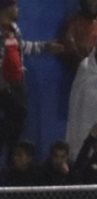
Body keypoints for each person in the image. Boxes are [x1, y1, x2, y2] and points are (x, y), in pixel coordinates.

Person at [0, 1, 65, 164]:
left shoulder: (14, 30)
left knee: (18, 120)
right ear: (5, 9)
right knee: (19, 112)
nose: (17, 10)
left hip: (18, 83)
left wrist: (45, 47)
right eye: (15, 7)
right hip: (4, 85)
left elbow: (23, 47)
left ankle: (10, 159)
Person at [61, 0, 97, 69]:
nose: (93, 4)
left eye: (95, 1)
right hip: (80, 70)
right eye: (89, 3)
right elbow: (69, 47)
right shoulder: (75, 22)